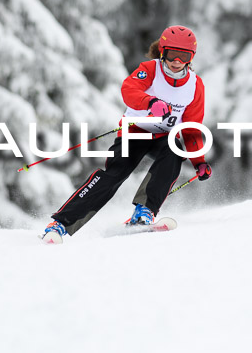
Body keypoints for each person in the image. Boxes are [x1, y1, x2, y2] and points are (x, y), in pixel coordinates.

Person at [42, 25, 212, 243]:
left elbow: (191, 128)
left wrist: (199, 161)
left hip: (164, 138)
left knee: (175, 151)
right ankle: (60, 224)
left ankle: (144, 212)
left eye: (183, 55)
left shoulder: (195, 86)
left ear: (191, 57)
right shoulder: (151, 69)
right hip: (135, 132)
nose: (176, 61)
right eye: (172, 54)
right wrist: (150, 102)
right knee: (114, 175)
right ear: (163, 51)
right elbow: (129, 90)